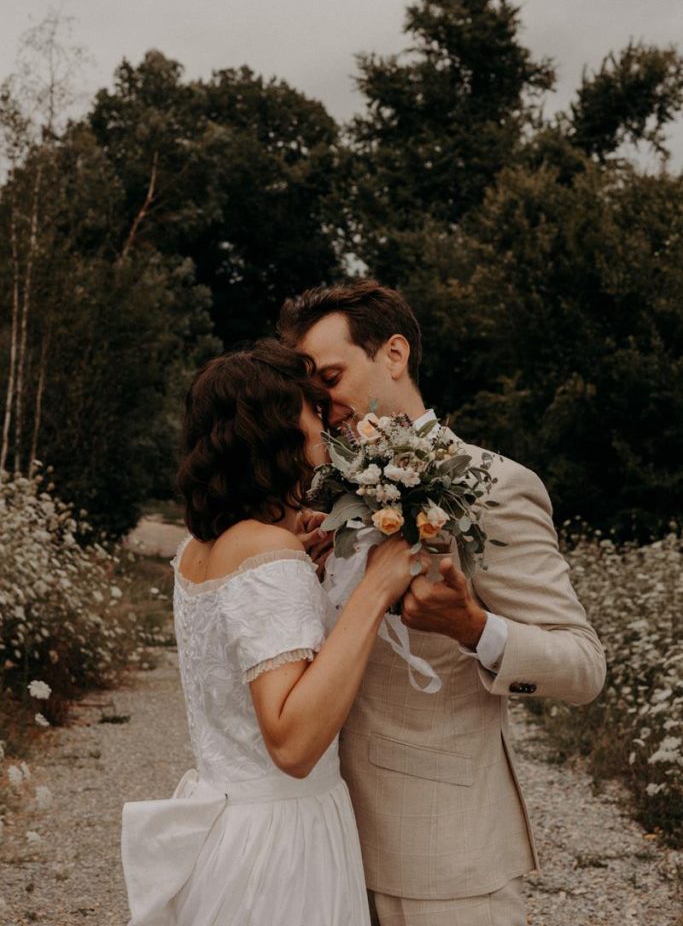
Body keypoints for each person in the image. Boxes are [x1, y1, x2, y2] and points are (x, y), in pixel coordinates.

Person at [278, 280, 607, 926]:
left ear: (393, 355)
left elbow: (582, 666)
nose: (324, 403)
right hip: (329, 851)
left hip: (444, 866)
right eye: (311, 392)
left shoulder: (497, 487)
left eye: (333, 377)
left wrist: (474, 628)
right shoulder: (323, 497)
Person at [120, 339, 428, 926]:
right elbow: (291, 742)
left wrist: (296, 565)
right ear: (280, 429)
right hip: (283, 844)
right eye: (311, 409)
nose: (324, 421)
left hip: (228, 830)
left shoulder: (200, 549)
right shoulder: (268, 554)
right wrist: (375, 588)